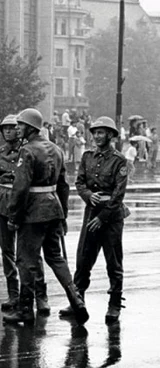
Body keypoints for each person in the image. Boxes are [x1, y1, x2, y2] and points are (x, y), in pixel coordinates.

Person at [2, 108, 88, 325]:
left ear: (30, 128)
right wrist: (63, 215)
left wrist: (13, 217)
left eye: (21, 125)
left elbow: (20, 188)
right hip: (53, 210)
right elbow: (63, 186)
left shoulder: (27, 151)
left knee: (25, 260)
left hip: (33, 213)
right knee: (55, 257)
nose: (17, 128)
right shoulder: (56, 149)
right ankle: (76, 299)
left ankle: (24, 309)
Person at [58, 117, 127, 323]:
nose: (97, 136)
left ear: (111, 135)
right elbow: (79, 182)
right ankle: (77, 300)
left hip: (111, 216)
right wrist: (88, 195)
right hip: (91, 212)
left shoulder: (119, 160)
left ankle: (114, 304)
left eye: (102, 132)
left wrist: (103, 217)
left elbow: (118, 193)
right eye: (95, 132)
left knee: (113, 261)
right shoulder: (87, 157)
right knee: (84, 258)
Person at [0, 115, 49, 312]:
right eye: (5, 128)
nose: (8, 131)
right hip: (1, 206)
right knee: (7, 252)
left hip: (25, 206)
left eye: (12, 128)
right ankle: (14, 294)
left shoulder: (28, 152)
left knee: (31, 253)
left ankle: (40, 294)